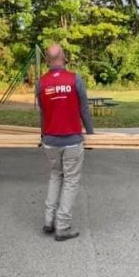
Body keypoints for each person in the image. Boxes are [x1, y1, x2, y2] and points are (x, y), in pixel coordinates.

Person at [36, 44, 94, 241]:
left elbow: (43, 114)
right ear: (64, 57)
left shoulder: (41, 83)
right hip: (71, 141)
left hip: (50, 140)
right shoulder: (74, 79)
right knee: (70, 181)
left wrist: (43, 135)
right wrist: (91, 134)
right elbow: (84, 109)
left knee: (55, 175)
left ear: (47, 60)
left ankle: (48, 221)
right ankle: (63, 226)